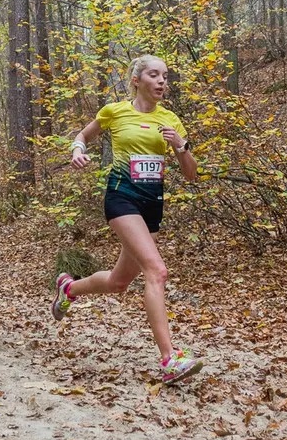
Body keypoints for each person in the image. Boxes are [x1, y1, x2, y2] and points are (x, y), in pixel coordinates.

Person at [51, 56, 202, 384]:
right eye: (154, 75)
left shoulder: (171, 120)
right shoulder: (115, 112)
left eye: (165, 76)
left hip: (152, 207)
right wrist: (77, 151)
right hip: (121, 199)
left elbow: (191, 175)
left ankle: (69, 288)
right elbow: (84, 135)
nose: (162, 81)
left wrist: (181, 146)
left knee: (119, 283)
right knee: (156, 271)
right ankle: (169, 359)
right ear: (137, 80)